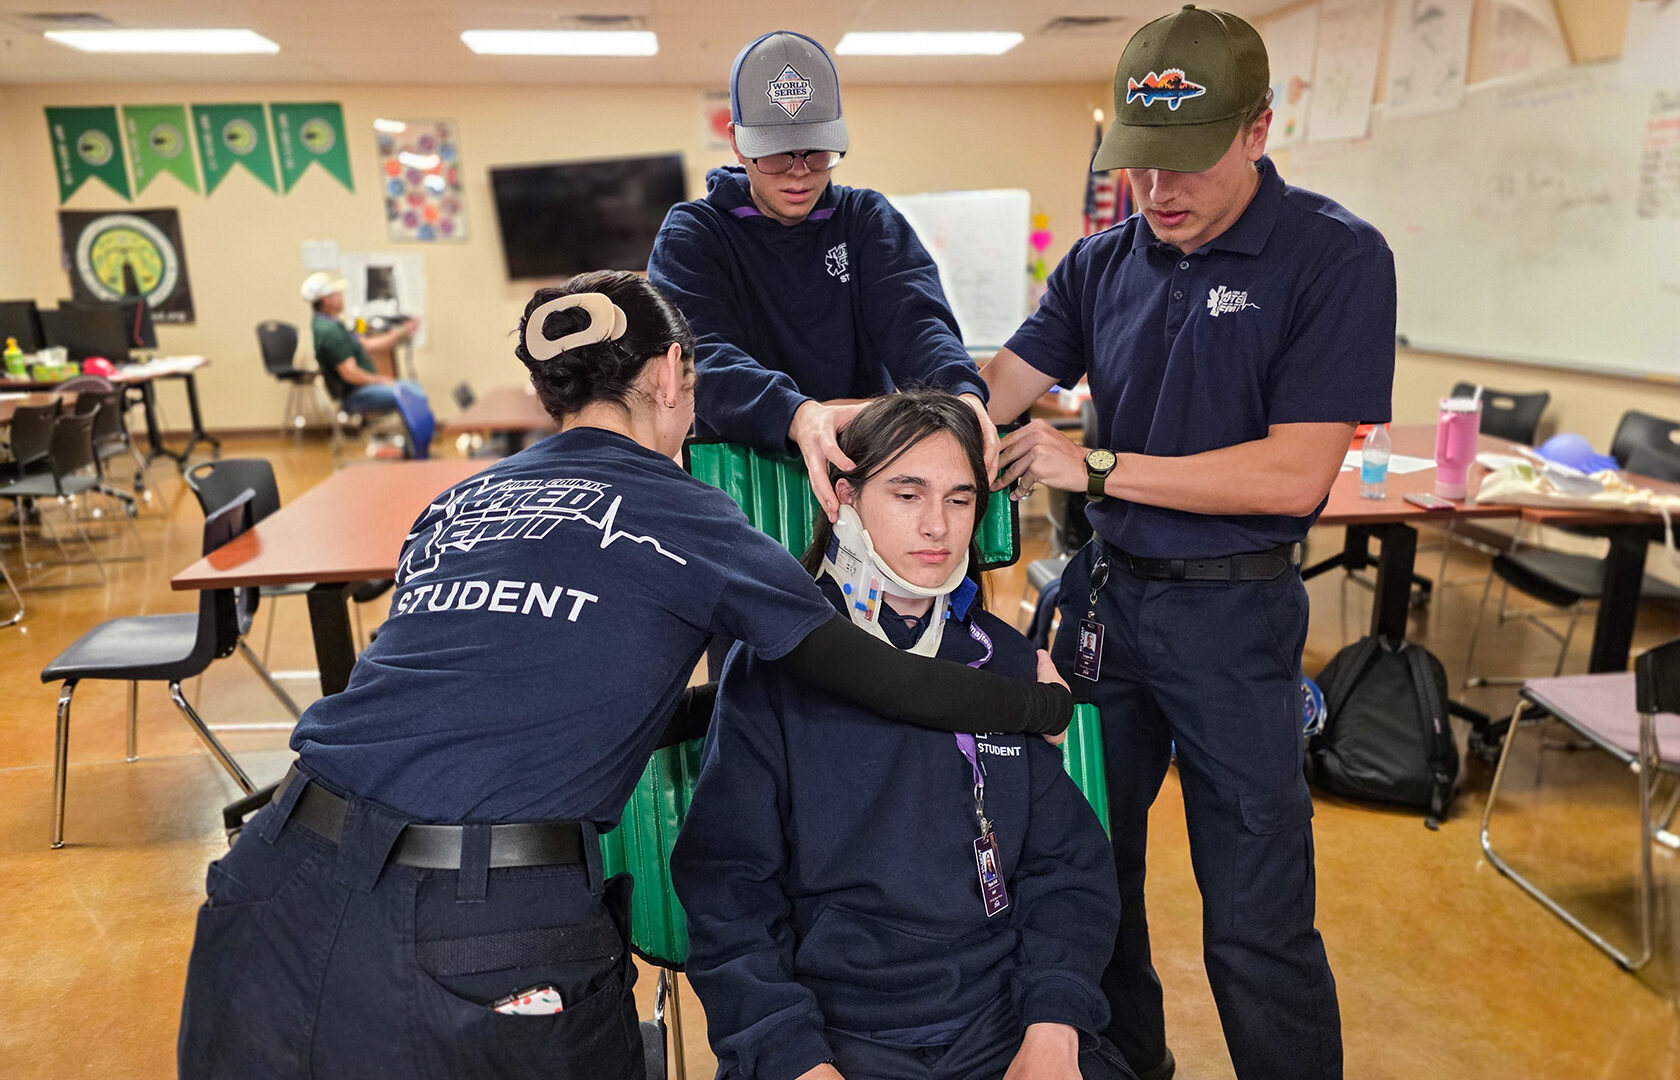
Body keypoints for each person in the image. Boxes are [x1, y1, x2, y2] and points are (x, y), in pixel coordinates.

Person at [179, 274, 1077, 1079]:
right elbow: (886, 680)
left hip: (275, 876)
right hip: (479, 928)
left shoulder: (457, 502)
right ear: (671, 376)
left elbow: (532, 695)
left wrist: (735, 706)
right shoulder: (687, 517)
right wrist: (1035, 700)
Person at [981, 8, 1397, 1080]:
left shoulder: (1334, 258)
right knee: (1087, 880)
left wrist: (1096, 466)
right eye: (1138, 165)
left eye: (1187, 162)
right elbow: (997, 392)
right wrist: (853, 413)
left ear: (1258, 131)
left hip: (1234, 617)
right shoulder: (1100, 261)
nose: (1159, 191)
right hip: (1104, 610)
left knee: (1257, 916)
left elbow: (1295, 473)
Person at [673, 391, 1135, 1080]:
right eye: (907, 493)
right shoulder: (774, 670)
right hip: (831, 1031)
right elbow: (729, 894)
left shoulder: (1009, 667)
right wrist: (791, 1055)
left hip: (1000, 1018)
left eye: (959, 499)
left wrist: (1054, 1026)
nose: (936, 526)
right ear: (846, 498)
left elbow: (1066, 874)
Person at [648, 30, 996, 520]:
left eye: (816, 153)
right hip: (740, 481)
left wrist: (960, 393)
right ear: (738, 143)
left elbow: (916, 323)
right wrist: (797, 414)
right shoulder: (694, 233)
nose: (799, 173)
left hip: (860, 471)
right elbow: (699, 358)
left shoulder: (866, 219)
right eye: (776, 154)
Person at [301, 270, 427, 418]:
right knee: (412, 393)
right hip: (356, 395)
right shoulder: (330, 331)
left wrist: (402, 332)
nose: (341, 296)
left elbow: (366, 345)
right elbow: (349, 373)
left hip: (361, 389)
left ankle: (407, 437)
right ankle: (416, 439)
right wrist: (379, 380)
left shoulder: (331, 324)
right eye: (336, 293)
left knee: (413, 389)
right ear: (326, 300)